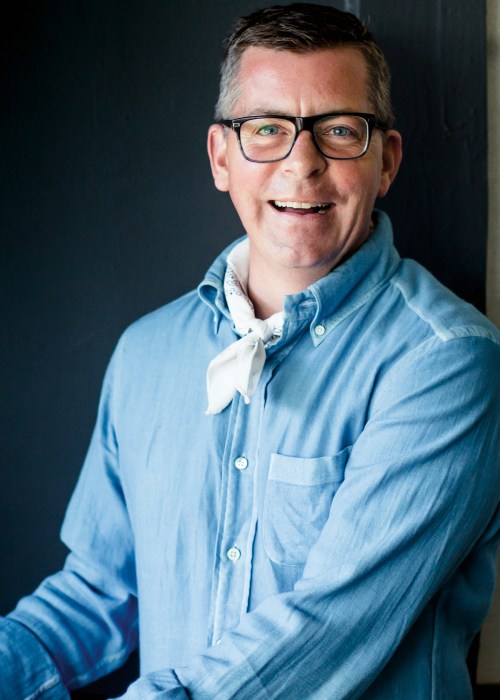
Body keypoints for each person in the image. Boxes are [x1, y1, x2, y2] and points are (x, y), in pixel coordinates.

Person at [1, 3, 499, 699]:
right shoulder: (145, 355)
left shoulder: (447, 362)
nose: (303, 163)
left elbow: (329, 630)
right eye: (267, 128)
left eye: (339, 130)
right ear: (221, 157)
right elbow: (100, 595)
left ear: (385, 161)